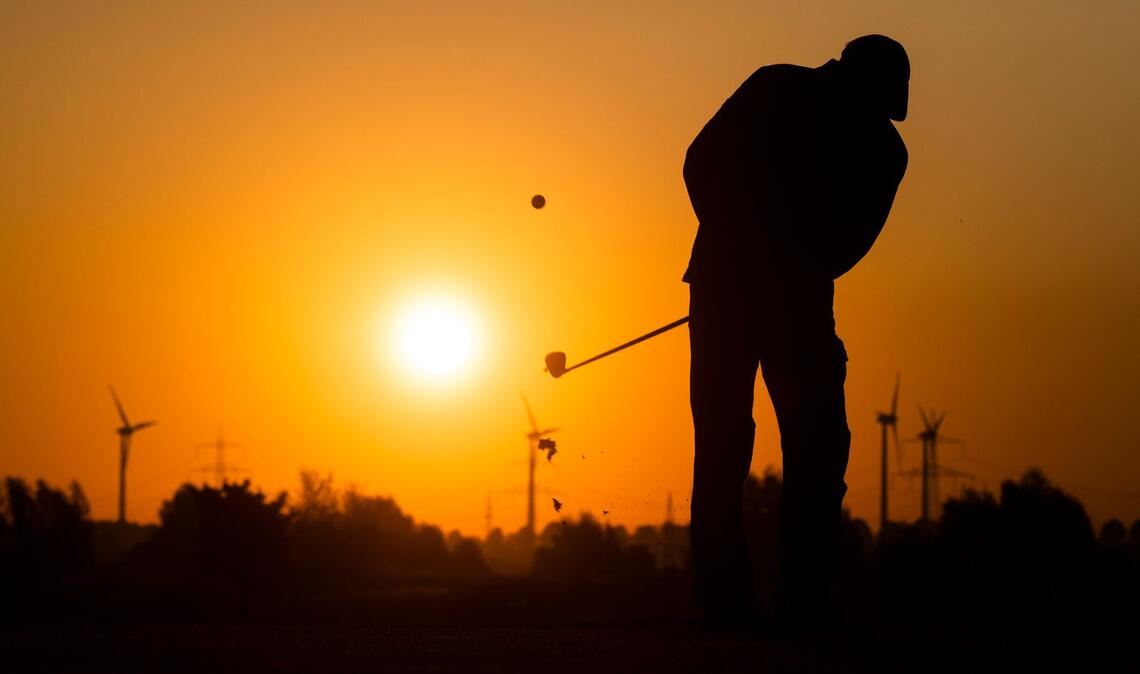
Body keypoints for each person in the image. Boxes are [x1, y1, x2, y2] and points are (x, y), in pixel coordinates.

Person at [683, 34, 910, 630]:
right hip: (725, 290)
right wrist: (741, 247)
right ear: (849, 80)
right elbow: (700, 163)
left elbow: (849, 243)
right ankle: (723, 600)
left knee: (818, 444)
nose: (876, 118)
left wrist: (781, 266)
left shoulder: (886, 152)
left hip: (799, 304)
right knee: (724, 441)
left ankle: (802, 601)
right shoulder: (775, 87)